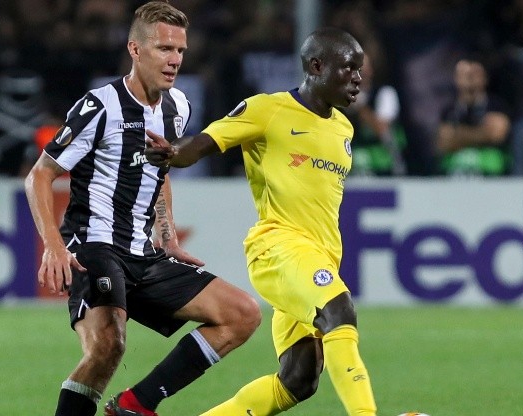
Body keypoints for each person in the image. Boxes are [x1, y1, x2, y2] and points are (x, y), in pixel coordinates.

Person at [23, 2, 261, 416]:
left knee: (242, 314)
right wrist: (54, 245)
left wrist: (165, 234)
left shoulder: (178, 107)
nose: (174, 60)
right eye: (164, 49)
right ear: (135, 50)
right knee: (108, 346)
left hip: (144, 254)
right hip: (94, 246)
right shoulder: (100, 107)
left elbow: (160, 170)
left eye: (180, 51)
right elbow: (40, 175)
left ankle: (135, 405)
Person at [145, 27, 377, 416]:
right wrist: (172, 153)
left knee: (299, 380)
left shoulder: (343, 128)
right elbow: (202, 143)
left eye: (360, 70)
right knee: (340, 310)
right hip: (280, 248)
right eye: (349, 68)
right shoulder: (267, 110)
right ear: (317, 66)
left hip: (314, 260)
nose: (358, 78)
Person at [435, 59, 512, 176]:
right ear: (456, 79)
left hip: (491, 176)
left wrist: (458, 135)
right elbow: (443, 142)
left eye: (474, 74)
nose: (469, 80)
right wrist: (483, 134)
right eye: (464, 75)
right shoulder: (449, 110)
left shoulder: (496, 106)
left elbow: (497, 134)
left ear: (485, 78)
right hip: (455, 175)